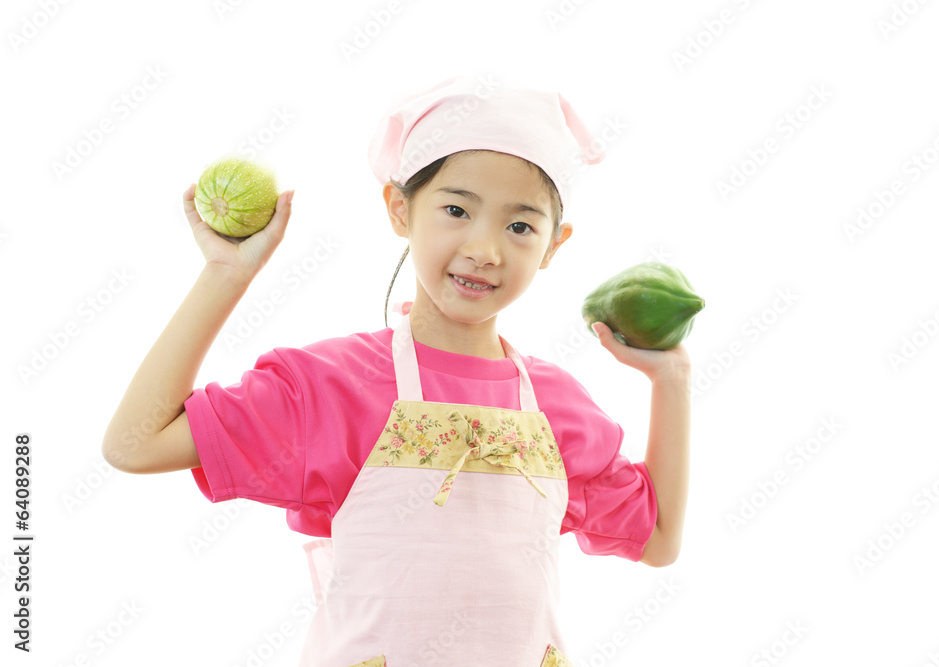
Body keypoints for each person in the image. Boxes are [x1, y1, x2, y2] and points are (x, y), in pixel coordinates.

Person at [102, 73, 691, 667]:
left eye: (520, 226)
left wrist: (672, 381)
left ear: (553, 246)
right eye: (457, 209)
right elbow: (134, 444)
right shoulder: (334, 386)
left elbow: (660, 539)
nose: (484, 250)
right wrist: (225, 275)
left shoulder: (559, 405)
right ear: (400, 209)